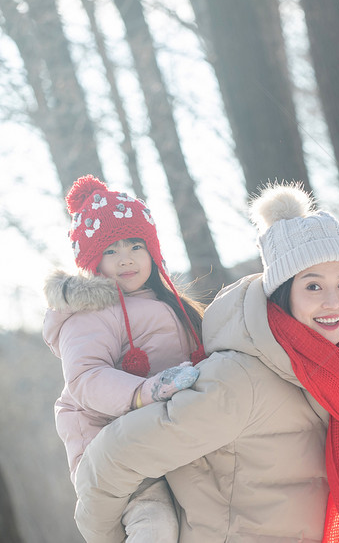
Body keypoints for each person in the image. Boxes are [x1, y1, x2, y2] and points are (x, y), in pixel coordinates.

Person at [72, 182, 339, 543]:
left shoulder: (333, 373)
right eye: (313, 287)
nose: (334, 302)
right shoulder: (240, 381)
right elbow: (108, 463)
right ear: (283, 293)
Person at [43, 175, 205, 542]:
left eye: (135, 245)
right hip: (110, 449)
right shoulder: (89, 314)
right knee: (156, 524)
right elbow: (85, 378)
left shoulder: (172, 304)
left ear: (153, 250)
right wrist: (145, 391)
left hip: (163, 434)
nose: (126, 259)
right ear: (91, 260)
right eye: (111, 250)